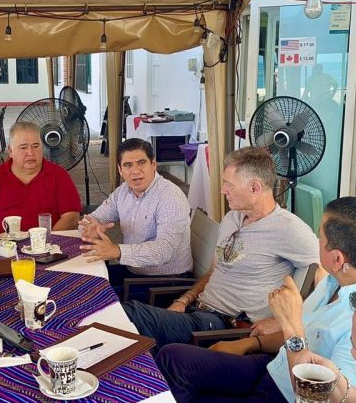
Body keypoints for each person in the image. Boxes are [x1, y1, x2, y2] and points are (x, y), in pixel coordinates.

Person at [155, 196, 356, 403]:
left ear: (337, 258)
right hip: (271, 367)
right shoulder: (336, 279)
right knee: (173, 358)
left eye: (320, 238)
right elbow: (307, 332)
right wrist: (252, 344)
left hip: (286, 395)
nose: (316, 242)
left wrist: (290, 324)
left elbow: (320, 398)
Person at [122, 147, 319, 349]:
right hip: (197, 310)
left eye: (229, 185)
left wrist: (281, 321)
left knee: (130, 314)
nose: (223, 190)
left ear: (254, 188)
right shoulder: (232, 217)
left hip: (223, 325)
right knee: (125, 323)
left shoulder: (288, 229)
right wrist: (185, 299)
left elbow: (327, 281)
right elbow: (214, 272)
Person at [79, 138, 192, 293]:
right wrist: (88, 229)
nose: (135, 171)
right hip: (134, 270)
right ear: (120, 170)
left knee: (93, 297)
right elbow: (93, 218)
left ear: (153, 164)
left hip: (167, 282)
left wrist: (117, 251)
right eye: (128, 165)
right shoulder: (123, 191)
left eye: (141, 163)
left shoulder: (170, 196)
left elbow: (164, 250)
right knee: (83, 283)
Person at [0, 121, 81, 235]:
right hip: (4, 244)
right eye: (23, 148)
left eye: (36, 146)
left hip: (51, 243)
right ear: (11, 151)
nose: (30, 153)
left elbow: (71, 216)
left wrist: (47, 240)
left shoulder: (59, 175)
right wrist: (1, 243)